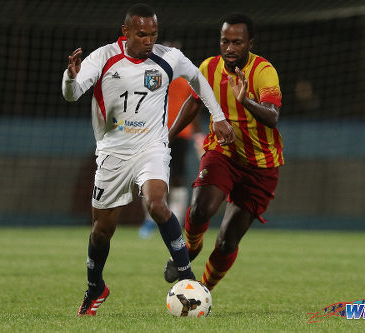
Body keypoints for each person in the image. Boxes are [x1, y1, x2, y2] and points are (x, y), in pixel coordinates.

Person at [62, 3, 234, 316]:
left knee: (157, 202)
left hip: (152, 147)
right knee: (101, 230)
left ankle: (186, 277)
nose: (149, 40)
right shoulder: (103, 57)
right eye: (142, 34)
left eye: (153, 34)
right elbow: (73, 94)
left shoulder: (169, 58)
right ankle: (95, 287)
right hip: (113, 153)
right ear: (125, 31)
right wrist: (70, 78)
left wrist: (218, 116)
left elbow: (198, 80)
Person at [163, 13, 284, 291]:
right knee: (202, 207)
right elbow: (195, 103)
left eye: (237, 42)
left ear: (250, 43)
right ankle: (190, 248)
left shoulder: (264, 71)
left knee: (228, 240)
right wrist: (167, 137)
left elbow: (273, 116)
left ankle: (201, 290)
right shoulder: (208, 68)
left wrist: (246, 100)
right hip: (223, 152)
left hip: (261, 165)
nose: (229, 48)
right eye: (225, 41)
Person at [138, 72, 204, 239]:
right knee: (151, 176)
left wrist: (198, 135)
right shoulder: (151, 77)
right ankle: (150, 221)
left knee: (177, 178)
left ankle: (175, 221)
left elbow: (194, 106)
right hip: (155, 133)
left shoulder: (187, 80)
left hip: (181, 134)